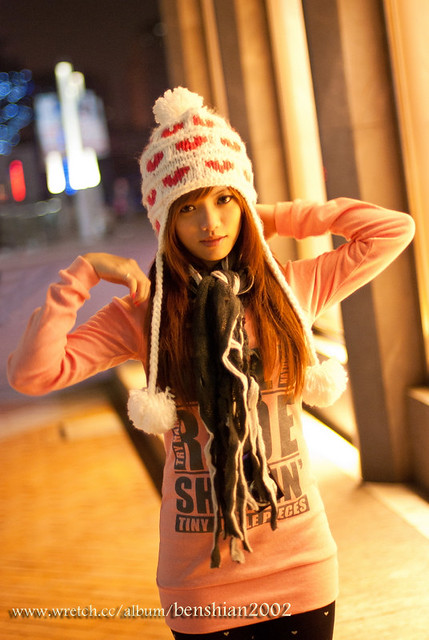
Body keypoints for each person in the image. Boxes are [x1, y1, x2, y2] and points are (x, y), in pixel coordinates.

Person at [8, 87, 415, 640]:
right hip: (201, 582)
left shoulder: (289, 292)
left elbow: (393, 230)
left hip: (303, 567)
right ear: (165, 220)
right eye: (188, 207)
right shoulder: (147, 314)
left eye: (224, 200)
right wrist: (80, 276)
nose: (210, 222)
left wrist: (271, 214)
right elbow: (33, 374)